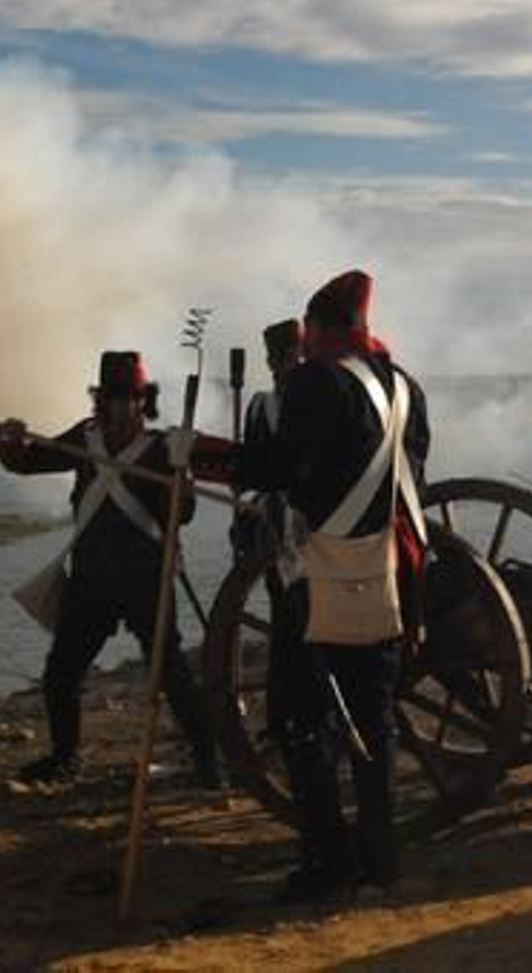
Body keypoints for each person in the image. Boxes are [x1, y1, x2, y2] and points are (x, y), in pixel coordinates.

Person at [231, 270, 430, 904]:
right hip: (391, 569)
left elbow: (276, 468)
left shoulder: (317, 382)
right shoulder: (404, 386)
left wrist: (201, 455)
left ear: (317, 329)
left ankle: (327, 857)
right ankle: (381, 857)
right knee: (373, 716)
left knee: (296, 714)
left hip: (323, 574)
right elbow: (414, 472)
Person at [0, 351, 219, 787]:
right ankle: (65, 757)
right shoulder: (84, 437)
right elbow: (26, 460)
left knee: (171, 672)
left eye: (126, 397)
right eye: (110, 396)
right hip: (91, 578)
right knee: (61, 674)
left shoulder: (161, 448)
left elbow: (181, 514)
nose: (116, 406)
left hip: (145, 579)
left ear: (141, 401)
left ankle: (210, 762)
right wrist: (8, 440)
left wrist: (180, 471)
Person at [229, 318, 307, 748]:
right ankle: (281, 724)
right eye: (281, 359)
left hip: (320, 530)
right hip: (278, 531)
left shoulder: (321, 400)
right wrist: (250, 500)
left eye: (293, 356)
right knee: (286, 629)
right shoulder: (261, 408)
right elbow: (251, 472)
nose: (286, 366)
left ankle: (314, 719)